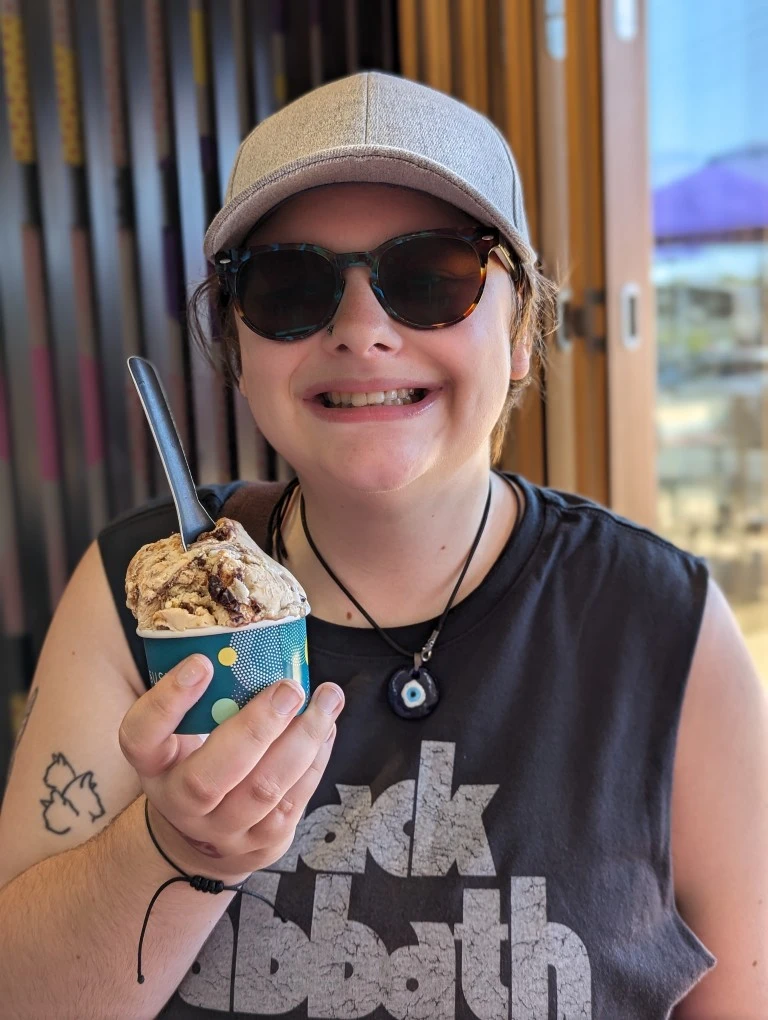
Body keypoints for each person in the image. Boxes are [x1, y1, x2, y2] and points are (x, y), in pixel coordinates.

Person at [0, 70, 766, 1020]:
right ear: (237, 348)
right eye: (289, 284)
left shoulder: (664, 622)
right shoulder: (143, 591)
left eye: (433, 277)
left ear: (522, 332)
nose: (362, 331)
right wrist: (173, 850)